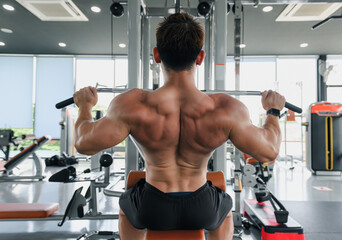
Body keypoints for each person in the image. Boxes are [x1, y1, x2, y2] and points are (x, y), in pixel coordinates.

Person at [73, 13, 285, 240]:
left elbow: (84, 143)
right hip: (201, 206)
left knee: (127, 207)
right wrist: (272, 112)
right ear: (200, 57)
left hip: (153, 206)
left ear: (156, 55)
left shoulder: (132, 104)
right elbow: (269, 150)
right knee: (224, 209)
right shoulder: (226, 108)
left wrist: (85, 107)